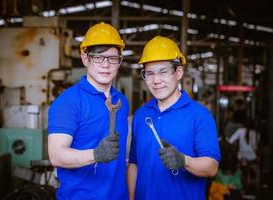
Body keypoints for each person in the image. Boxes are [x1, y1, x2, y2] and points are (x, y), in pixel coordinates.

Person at [127, 36, 221, 200]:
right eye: (149, 73)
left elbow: (211, 167)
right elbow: (134, 165)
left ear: (178, 72)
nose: (156, 81)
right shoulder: (141, 115)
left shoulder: (199, 116)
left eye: (163, 72)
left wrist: (184, 161)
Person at [47, 22, 129, 199]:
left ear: (119, 61)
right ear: (85, 58)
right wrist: (96, 154)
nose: (106, 64)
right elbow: (56, 156)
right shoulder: (68, 102)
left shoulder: (121, 101)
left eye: (112, 58)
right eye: (98, 57)